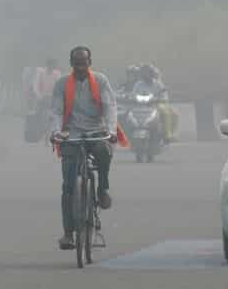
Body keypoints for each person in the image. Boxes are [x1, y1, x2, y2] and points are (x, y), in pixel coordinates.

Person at [50, 46, 128, 250]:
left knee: (104, 152)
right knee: (68, 186)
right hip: (72, 134)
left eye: (84, 63)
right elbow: (56, 111)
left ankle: (102, 189)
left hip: (96, 131)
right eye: (76, 64)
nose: (80, 67)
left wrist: (111, 131)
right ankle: (68, 233)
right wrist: (56, 131)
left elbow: (110, 107)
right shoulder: (61, 84)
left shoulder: (101, 81)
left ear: (90, 63)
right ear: (71, 64)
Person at [133, 64, 179, 142]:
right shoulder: (138, 84)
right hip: (141, 106)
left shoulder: (158, 84)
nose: (148, 75)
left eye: (149, 73)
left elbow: (164, 95)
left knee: (173, 113)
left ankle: (169, 134)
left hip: (156, 105)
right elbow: (133, 95)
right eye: (146, 73)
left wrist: (160, 99)